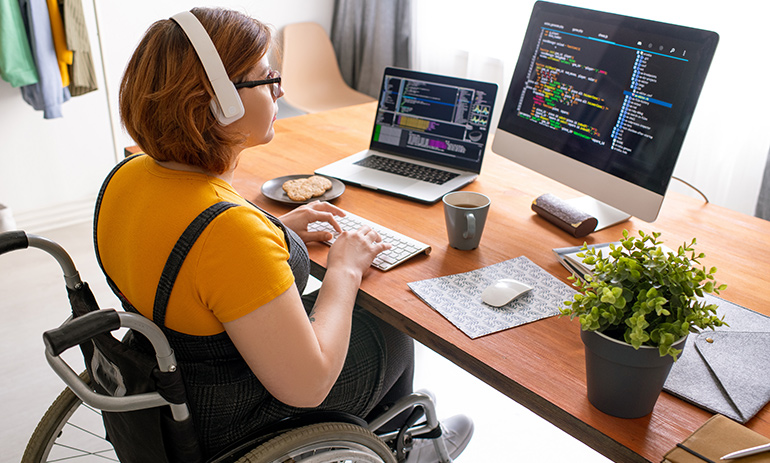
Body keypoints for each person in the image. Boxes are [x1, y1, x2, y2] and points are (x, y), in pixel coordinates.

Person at [93, 7, 473, 462]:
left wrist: (274, 231)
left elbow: (192, 257)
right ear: (219, 102)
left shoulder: (128, 174)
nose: (282, 90)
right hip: (229, 415)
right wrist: (344, 271)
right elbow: (308, 387)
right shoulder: (229, 234)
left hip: (171, 377)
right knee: (390, 327)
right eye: (267, 78)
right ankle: (410, 449)